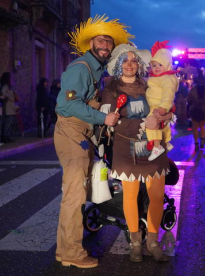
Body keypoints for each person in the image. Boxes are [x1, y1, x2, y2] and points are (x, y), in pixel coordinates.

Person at [53, 15, 130, 268]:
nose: (105, 45)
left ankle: (64, 250)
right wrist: (102, 117)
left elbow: (84, 102)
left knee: (78, 191)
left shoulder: (95, 70)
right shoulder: (80, 68)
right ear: (91, 43)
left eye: (108, 41)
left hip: (81, 134)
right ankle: (72, 254)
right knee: (74, 194)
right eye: (100, 40)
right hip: (71, 131)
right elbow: (66, 104)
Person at [101, 43, 171, 263]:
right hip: (125, 146)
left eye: (133, 61)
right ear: (119, 65)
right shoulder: (111, 89)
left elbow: (168, 110)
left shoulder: (149, 85)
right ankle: (136, 242)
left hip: (152, 146)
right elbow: (106, 119)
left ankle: (153, 241)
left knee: (157, 196)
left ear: (139, 65)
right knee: (130, 196)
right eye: (126, 61)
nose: (130, 64)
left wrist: (162, 117)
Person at [145, 40, 179, 161]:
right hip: (157, 105)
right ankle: (167, 142)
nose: (157, 68)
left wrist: (164, 107)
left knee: (150, 125)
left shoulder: (167, 79)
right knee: (162, 126)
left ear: (167, 64)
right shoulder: (160, 78)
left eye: (160, 65)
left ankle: (157, 146)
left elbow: (168, 94)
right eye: (154, 65)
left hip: (158, 106)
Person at [187, 69, 205, 151]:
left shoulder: (193, 89)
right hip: (203, 109)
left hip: (194, 109)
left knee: (195, 127)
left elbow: (189, 100)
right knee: (202, 126)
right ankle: (202, 141)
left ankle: (196, 143)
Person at [0, 72, 16, 143]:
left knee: (9, 122)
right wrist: (10, 97)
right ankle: (5, 136)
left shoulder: (9, 86)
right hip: (8, 106)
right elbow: (3, 92)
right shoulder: (6, 86)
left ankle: (7, 136)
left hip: (10, 106)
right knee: (8, 122)